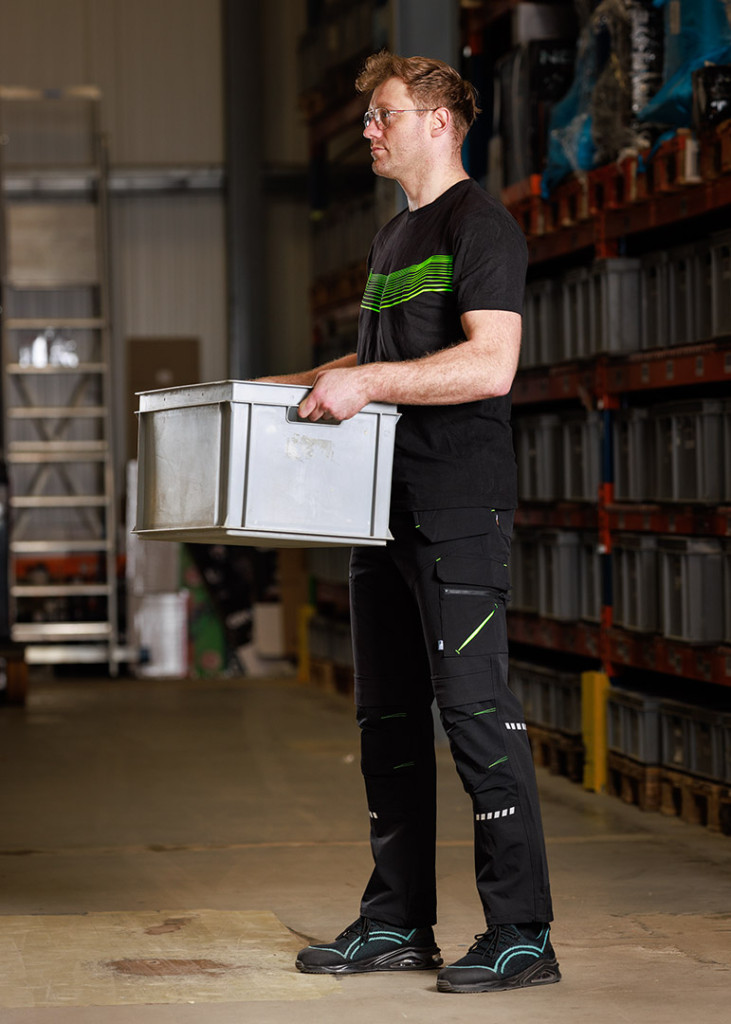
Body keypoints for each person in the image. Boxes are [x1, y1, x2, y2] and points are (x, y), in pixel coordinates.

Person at [266, 50, 559, 994]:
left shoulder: (481, 226)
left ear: (439, 122)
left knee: (474, 715)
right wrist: (268, 390)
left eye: (383, 114)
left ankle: (522, 933)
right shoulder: (393, 238)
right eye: (368, 116)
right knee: (386, 720)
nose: (368, 129)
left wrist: (367, 383)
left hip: (454, 508)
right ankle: (396, 921)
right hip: (379, 509)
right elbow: (372, 361)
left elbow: (489, 364)